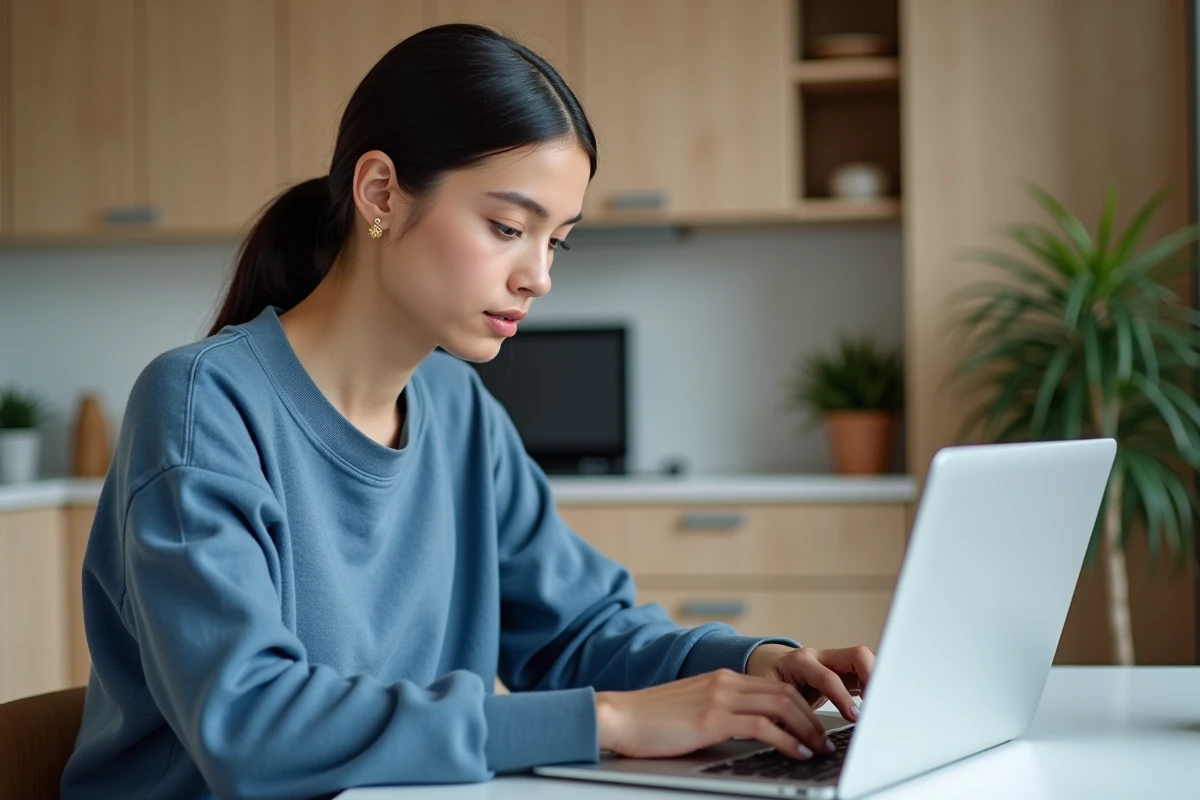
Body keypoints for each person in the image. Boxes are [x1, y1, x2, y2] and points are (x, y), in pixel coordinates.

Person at [60, 23, 875, 800]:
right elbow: (253, 725)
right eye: (508, 226)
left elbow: (574, 633)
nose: (538, 277)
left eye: (556, 241)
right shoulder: (202, 405)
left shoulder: (459, 409)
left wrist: (751, 664)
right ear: (380, 192)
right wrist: (607, 721)